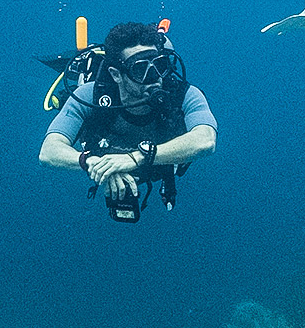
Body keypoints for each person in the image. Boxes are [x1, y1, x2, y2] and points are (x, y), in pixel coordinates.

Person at [38, 20, 217, 220]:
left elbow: (206, 140)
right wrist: (95, 164)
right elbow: (49, 151)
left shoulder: (183, 94)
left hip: (159, 165)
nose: (154, 77)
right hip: (103, 160)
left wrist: (134, 158)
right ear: (116, 74)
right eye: (140, 69)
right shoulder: (91, 95)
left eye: (159, 65)